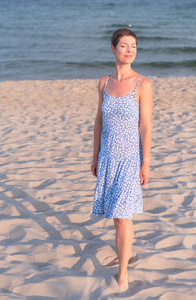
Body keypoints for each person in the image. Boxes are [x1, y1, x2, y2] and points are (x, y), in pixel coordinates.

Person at [91, 28, 153, 290]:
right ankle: (125, 252)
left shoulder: (143, 84)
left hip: (129, 158)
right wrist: (95, 155)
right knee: (116, 215)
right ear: (113, 48)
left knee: (122, 215)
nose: (130, 50)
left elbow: (146, 126)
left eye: (134, 46)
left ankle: (124, 271)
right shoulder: (104, 82)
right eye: (124, 45)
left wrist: (146, 162)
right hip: (108, 156)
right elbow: (99, 121)